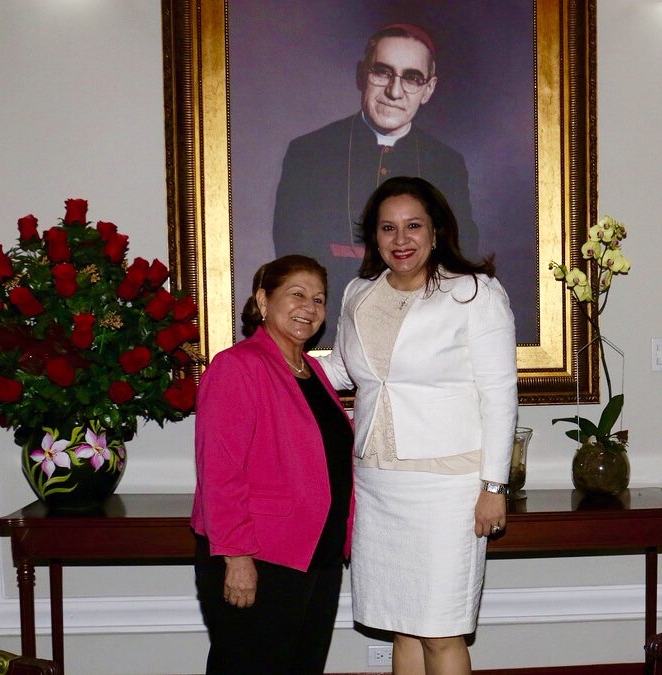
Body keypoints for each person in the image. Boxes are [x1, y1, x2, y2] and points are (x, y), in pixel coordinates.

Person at [318, 177, 517, 674]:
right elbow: (342, 370)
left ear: (435, 231)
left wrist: (494, 486)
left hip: (447, 488)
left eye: (413, 226)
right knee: (401, 625)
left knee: (442, 631)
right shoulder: (359, 293)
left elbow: (499, 395)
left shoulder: (473, 292)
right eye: (388, 228)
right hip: (378, 485)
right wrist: (273, 365)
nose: (400, 239)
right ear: (374, 236)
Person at [191, 255, 354, 674]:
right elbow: (220, 472)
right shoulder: (238, 365)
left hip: (317, 556)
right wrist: (237, 557)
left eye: (319, 299)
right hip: (260, 557)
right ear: (264, 301)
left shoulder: (312, 371)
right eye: (297, 294)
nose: (309, 308)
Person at [274, 22, 478, 347]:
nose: (395, 92)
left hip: (419, 330)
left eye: (412, 78)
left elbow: (459, 254)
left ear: (428, 89)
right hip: (332, 326)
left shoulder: (446, 163)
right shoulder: (309, 152)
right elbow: (293, 259)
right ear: (362, 74)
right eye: (383, 72)